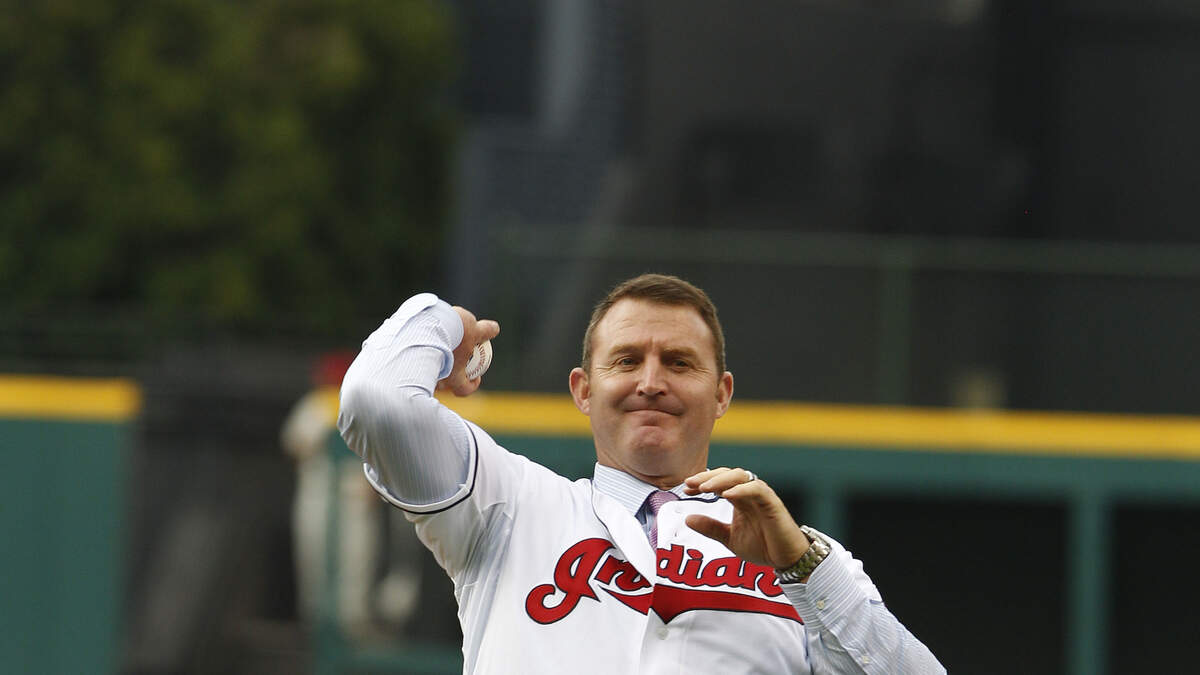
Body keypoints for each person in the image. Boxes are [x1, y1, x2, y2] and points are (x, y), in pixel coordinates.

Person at [337, 273, 945, 673]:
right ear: (583, 389)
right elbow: (376, 399)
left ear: (722, 393)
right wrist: (444, 322)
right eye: (626, 360)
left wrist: (802, 568)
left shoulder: (800, 563)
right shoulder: (510, 505)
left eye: (679, 363)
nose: (651, 382)